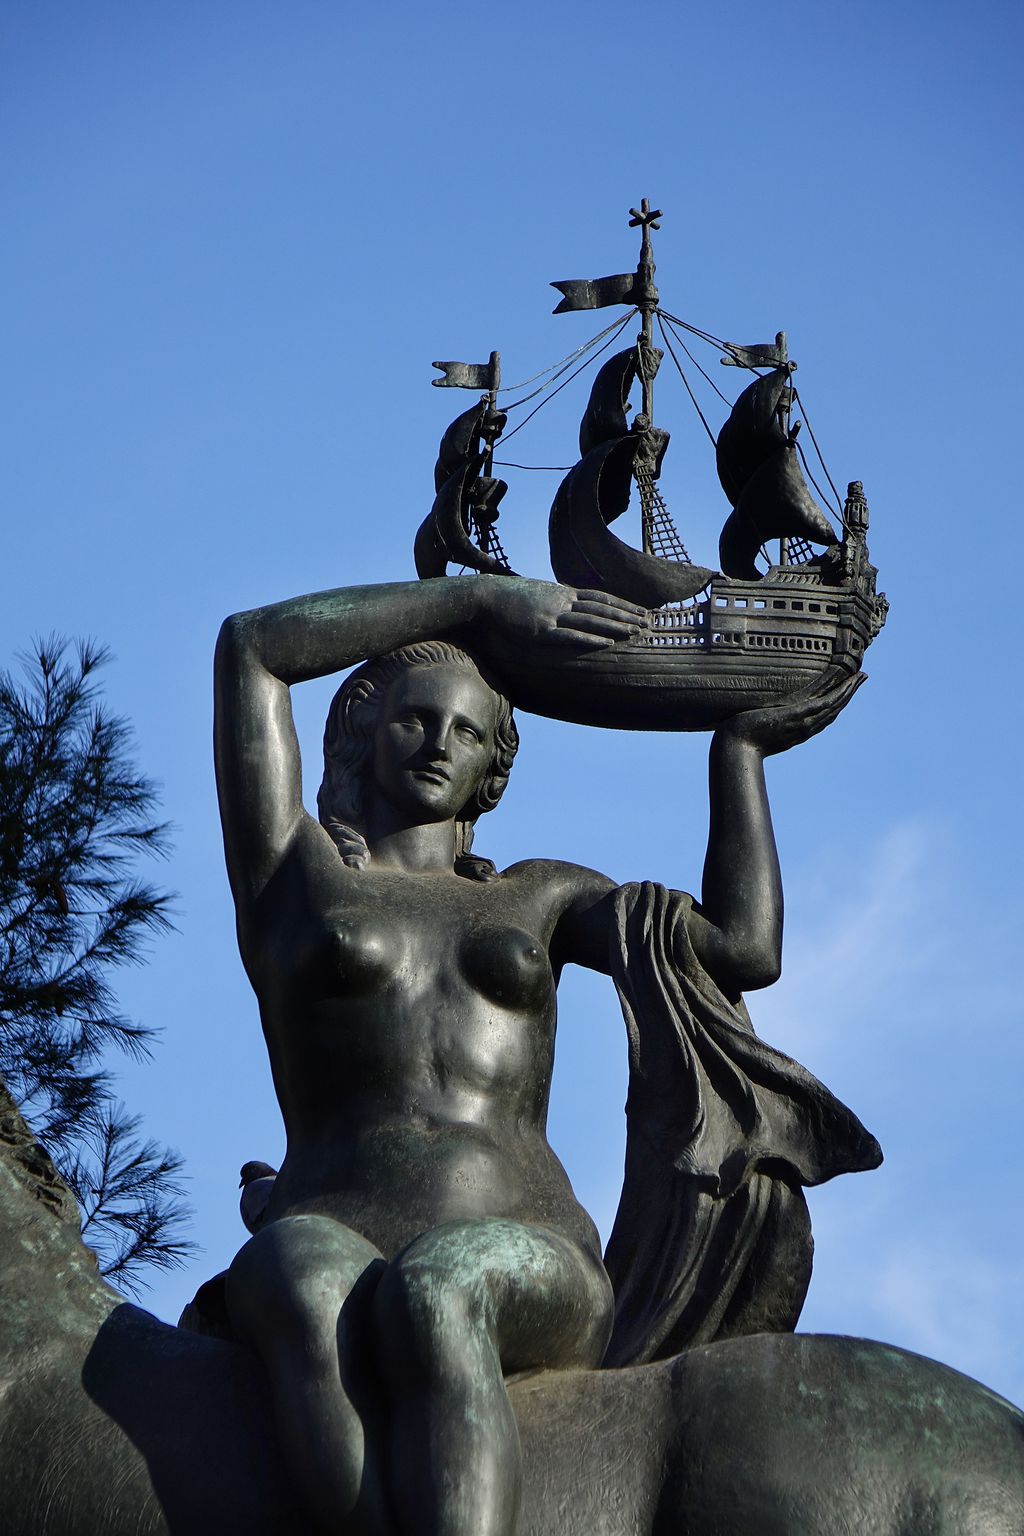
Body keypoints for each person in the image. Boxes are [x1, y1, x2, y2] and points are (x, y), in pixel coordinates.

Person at [213, 574, 866, 1536]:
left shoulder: (540, 898)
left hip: (522, 1247)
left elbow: (743, 947)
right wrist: (476, 605)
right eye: (416, 720)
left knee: (442, 1291)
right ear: (360, 730)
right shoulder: (292, 875)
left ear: (492, 772)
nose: (440, 743)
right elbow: (252, 647)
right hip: (328, 1224)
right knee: (294, 1273)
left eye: (468, 733)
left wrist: (739, 753)